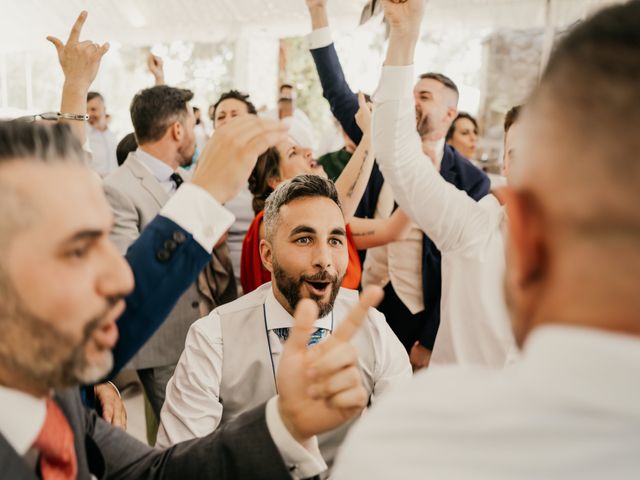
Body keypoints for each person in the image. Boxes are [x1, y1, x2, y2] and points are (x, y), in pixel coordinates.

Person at [333, 1, 640, 477]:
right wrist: (405, 36)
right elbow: (401, 158)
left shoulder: (393, 444)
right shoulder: (475, 225)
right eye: (520, 154)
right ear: (506, 165)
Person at [158, 175, 411, 467]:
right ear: (267, 255)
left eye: (335, 240)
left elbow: (403, 445)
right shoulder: (214, 337)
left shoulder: (373, 328)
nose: (324, 260)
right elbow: (179, 464)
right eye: (304, 239)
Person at [305, 0, 490, 370]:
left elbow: (469, 267)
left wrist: (433, 335)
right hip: (365, 295)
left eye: (424, 97)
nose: (412, 102)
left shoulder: (471, 179)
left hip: (423, 313)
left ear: (450, 113)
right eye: (411, 93)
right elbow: (336, 90)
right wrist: (318, 14)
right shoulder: (379, 135)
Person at [103, 84, 237, 427]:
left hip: (209, 329)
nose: (194, 133)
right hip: (163, 341)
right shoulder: (117, 187)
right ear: (177, 129)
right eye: (192, 125)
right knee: (184, 440)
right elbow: (127, 272)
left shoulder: (188, 179)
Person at [241, 95, 412, 294]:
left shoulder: (333, 227)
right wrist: (369, 136)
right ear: (275, 180)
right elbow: (340, 208)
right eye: (292, 153)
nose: (307, 151)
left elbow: (394, 230)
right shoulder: (268, 223)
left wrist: (419, 167)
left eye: (333, 241)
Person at [210, 89, 260, 290]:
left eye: (235, 115)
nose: (227, 121)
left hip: (264, 281)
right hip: (221, 284)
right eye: (220, 117)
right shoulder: (205, 173)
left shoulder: (271, 165)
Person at [262, 83, 317, 151]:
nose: (287, 98)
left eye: (290, 96)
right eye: (284, 96)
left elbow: (310, 140)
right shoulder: (269, 115)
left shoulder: (301, 118)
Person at [86, 91, 118, 176]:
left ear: (104, 109)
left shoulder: (114, 135)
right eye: (86, 110)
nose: (89, 114)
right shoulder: (83, 137)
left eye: (93, 109)